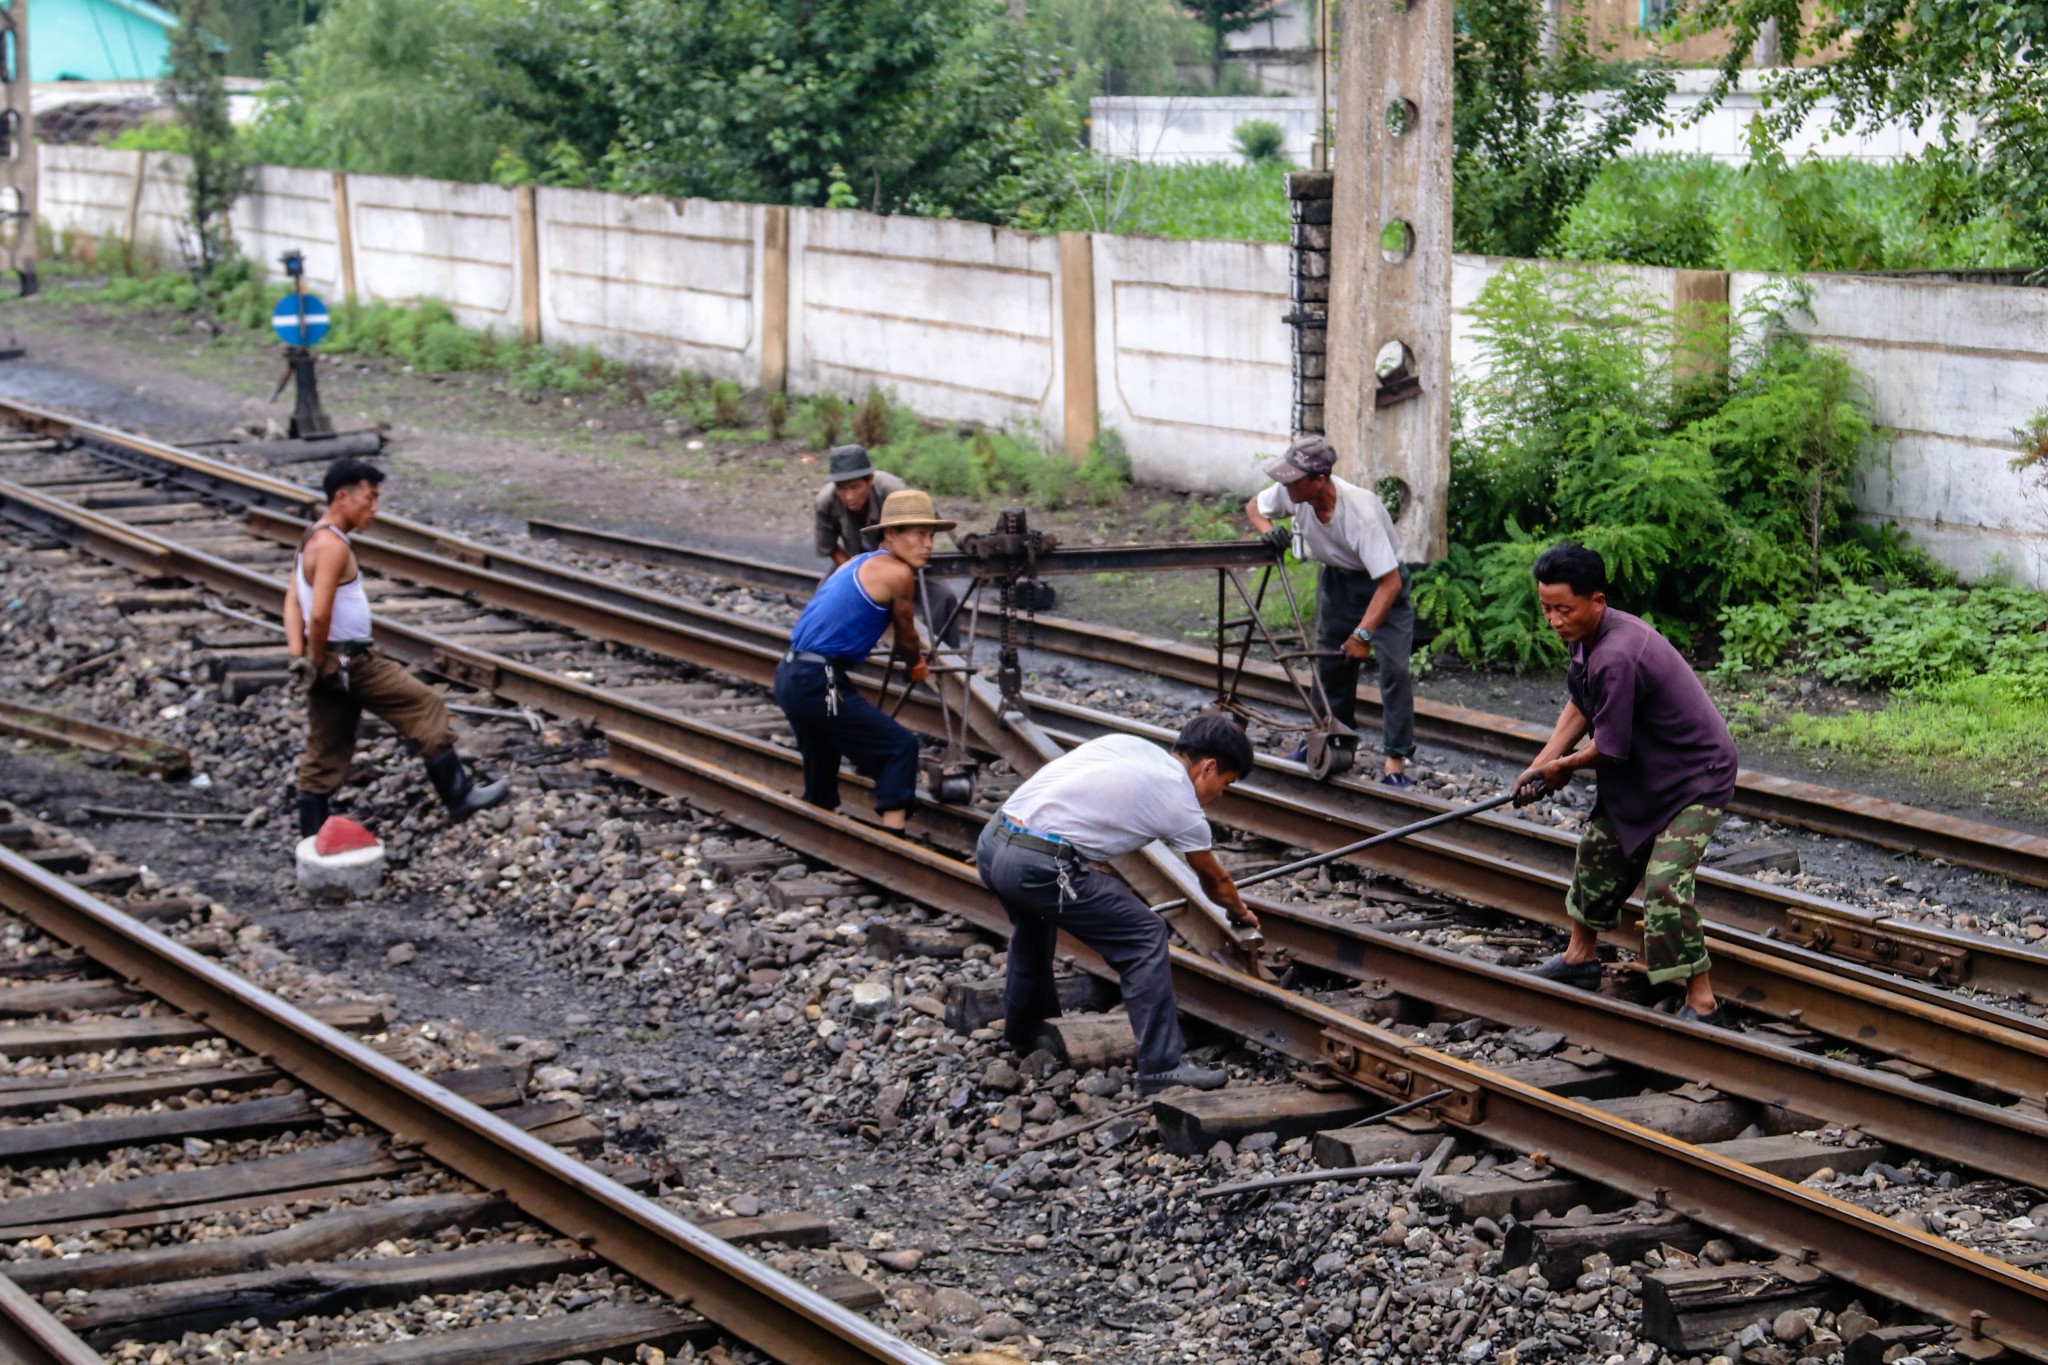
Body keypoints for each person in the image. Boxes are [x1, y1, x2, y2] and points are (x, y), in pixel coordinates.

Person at [1512, 543, 1737, 1026]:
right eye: (1546, 608)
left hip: (1695, 777)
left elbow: (1608, 749)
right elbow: (1580, 705)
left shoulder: (1618, 652)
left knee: (1664, 885)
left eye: (1563, 609)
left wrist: (1563, 768)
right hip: (1646, 771)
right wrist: (1541, 762)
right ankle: (1579, 958)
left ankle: (1703, 1004)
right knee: (1599, 850)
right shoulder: (1585, 635)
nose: (1553, 620)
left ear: (1597, 599)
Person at [977, 712, 1260, 1095]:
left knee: (1033, 921)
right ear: (1208, 767)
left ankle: (1024, 1032)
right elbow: (1216, 881)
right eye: (1225, 783)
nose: (1220, 794)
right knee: (1144, 934)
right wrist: (1240, 913)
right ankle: (1162, 1067)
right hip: (1036, 864)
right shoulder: (1181, 803)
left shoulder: (1132, 745)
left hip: (993, 842)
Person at [284, 458, 508, 839]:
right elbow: (318, 615)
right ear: (343, 496)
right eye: (369, 499)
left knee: (326, 746)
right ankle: (459, 797)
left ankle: (311, 841)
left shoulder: (311, 536)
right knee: (425, 706)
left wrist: (301, 658)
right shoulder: (334, 546)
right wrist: (319, 658)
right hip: (347, 660)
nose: (375, 508)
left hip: (326, 661)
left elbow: (292, 600)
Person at [1243, 434, 1417, 787]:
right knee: (1329, 666)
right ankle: (1328, 739)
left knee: (1394, 670)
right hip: (1337, 583)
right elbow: (1254, 507)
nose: (1285, 485)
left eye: (1293, 478)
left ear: (1319, 480)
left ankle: (1395, 760)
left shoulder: (1360, 513)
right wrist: (1268, 532)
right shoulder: (1294, 492)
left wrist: (1363, 634)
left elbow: (1390, 583)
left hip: (1382, 585)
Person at [775, 488, 949, 830]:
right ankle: (892, 841)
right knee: (899, 747)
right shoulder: (898, 574)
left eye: (931, 536)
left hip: (790, 673)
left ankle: (818, 841)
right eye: (919, 534)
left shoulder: (857, 562)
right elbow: (906, 635)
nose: (928, 544)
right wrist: (915, 666)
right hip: (818, 679)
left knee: (822, 766)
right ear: (891, 534)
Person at [813, 443, 960, 643]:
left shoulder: (893, 492)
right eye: (841, 488)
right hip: (857, 559)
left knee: (943, 596)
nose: (849, 496)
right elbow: (830, 547)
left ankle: (944, 654)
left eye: (855, 487)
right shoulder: (825, 501)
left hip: (905, 558)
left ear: (870, 480)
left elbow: (917, 534)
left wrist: (894, 575)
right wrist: (855, 574)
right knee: (824, 598)